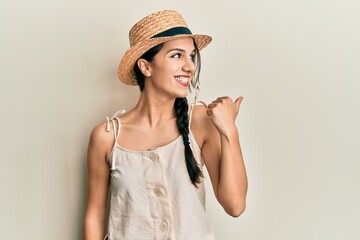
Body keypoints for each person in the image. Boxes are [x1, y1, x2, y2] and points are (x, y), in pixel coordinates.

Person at [84, 10, 248, 240]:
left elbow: (235, 205)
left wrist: (230, 131)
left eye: (191, 56)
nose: (190, 66)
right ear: (145, 67)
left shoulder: (200, 121)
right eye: (176, 56)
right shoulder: (107, 136)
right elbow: (95, 215)